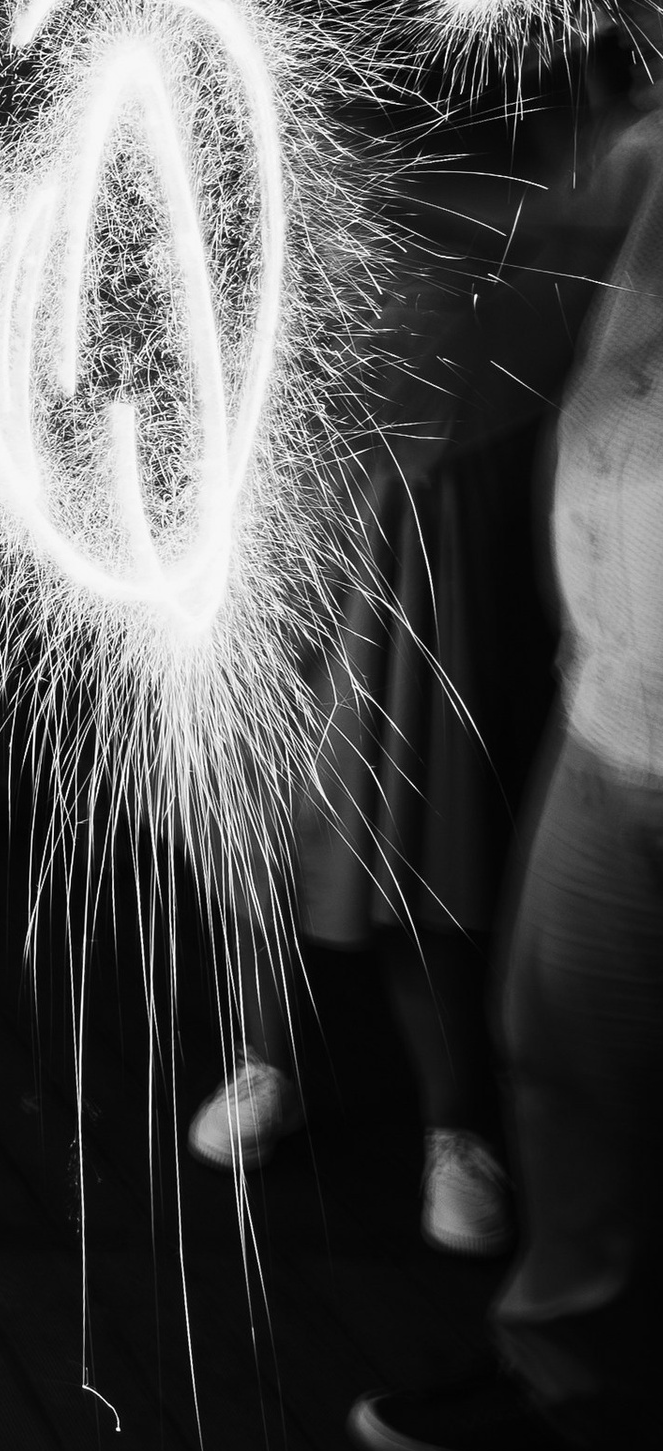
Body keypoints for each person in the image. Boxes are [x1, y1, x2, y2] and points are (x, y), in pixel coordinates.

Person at [188, 89, 616, 1257]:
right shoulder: (282, 201)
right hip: (277, 554)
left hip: (417, 579)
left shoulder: (522, 236)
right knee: (263, 827)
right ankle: (264, 1056)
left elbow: (483, 366)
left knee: (417, 841)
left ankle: (454, 1123)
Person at [350, 108, 663, 1451]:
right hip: (617, 720)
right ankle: (568, 1377)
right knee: (566, 1053)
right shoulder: (650, 162)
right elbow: (509, 291)